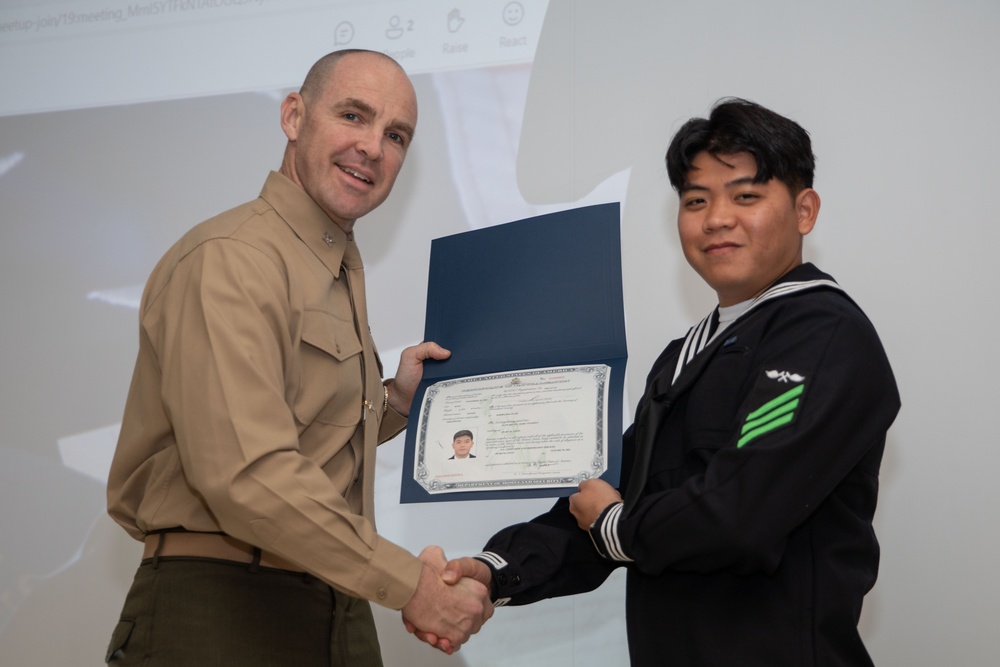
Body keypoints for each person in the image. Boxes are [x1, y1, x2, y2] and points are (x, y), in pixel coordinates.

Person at [423, 98, 900, 666]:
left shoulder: (822, 336)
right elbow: (607, 502)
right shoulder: (688, 354)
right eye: (697, 200)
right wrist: (494, 570)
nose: (717, 218)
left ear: (804, 211)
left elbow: (737, 514)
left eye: (746, 196)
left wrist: (615, 523)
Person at [105, 49, 491, 666]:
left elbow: (299, 429)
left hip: (334, 598)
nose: (372, 146)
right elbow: (246, 472)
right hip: (223, 605)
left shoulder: (332, 266)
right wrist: (411, 584)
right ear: (293, 116)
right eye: (353, 115)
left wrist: (395, 401)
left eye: (395, 135)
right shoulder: (231, 259)